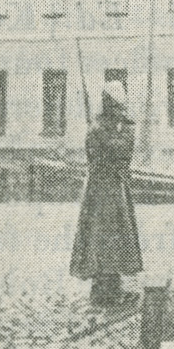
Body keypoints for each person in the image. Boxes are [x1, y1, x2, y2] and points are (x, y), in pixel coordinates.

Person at [70, 82, 143, 309]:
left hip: (115, 187)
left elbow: (124, 154)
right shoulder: (99, 128)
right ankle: (103, 291)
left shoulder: (119, 128)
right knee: (101, 238)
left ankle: (111, 288)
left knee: (114, 238)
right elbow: (97, 156)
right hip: (102, 189)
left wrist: (113, 133)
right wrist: (103, 134)